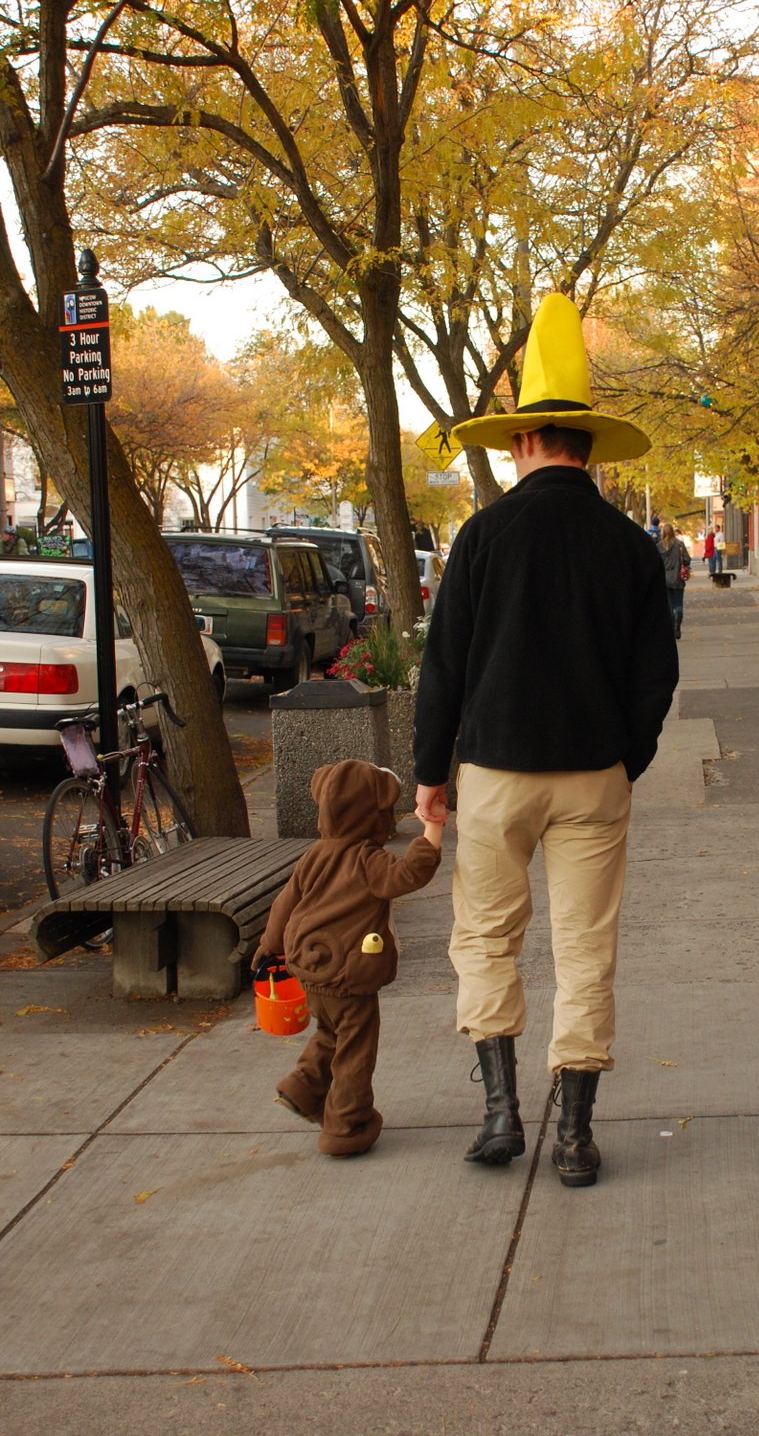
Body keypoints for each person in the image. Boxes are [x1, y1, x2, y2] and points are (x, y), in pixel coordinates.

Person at [413, 293, 678, 1189]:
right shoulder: (631, 548)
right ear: (589, 447)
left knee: (486, 938)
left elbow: (441, 666)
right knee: (584, 948)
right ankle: (575, 1136)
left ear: (524, 441)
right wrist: (622, 756)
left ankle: (500, 1116)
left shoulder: (481, 538)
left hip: (494, 775)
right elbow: (656, 677)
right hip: (593, 775)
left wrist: (428, 774)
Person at [252, 759, 441, 1157]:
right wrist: (433, 830)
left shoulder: (314, 856)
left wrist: (270, 947)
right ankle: (346, 1125)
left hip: (308, 965)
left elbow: (285, 905)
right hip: (350, 970)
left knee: (330, 1031)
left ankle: (302, 1087)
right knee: (355, 1046)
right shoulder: (367, 860)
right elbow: (409, 873)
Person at [658, 521, 690, 639]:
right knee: (678, 603)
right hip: (677, 578)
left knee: (668, 605)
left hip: (664, 579)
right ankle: (677, 623)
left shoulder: (659, 546)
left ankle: (671, 627)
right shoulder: (679, 545)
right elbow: (686, 560)